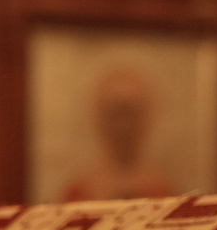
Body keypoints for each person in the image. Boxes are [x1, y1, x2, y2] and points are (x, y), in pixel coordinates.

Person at [57, 62, 180, 202]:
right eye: (115, 112)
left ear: (146, 116)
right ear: (98, 116)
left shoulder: (164, 192)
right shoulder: (78, 192)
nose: (123, 124)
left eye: (131, 113)